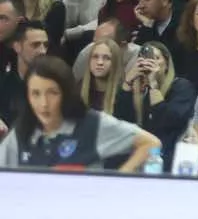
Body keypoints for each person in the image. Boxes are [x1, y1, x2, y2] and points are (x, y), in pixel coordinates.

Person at [0, 55, 160, 170]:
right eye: (35, 94)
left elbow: (151, 143)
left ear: (66, 93)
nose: (43, 103)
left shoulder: (93, 124)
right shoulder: (22, 131)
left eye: (52, 93)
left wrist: (117, 181)